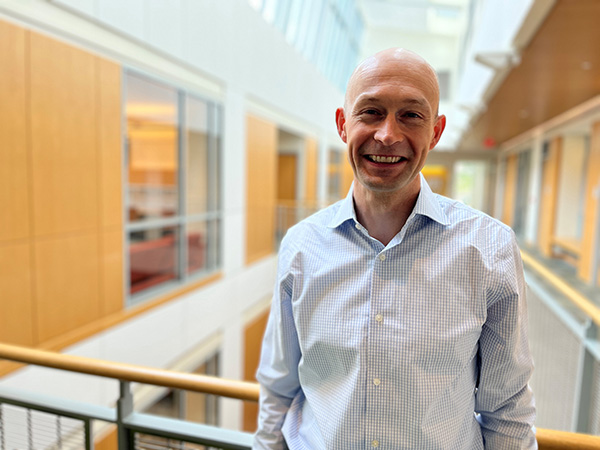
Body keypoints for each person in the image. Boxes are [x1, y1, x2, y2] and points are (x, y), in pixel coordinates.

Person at [254, 48, 536, 449]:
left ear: (436, 131)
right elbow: (279, 389)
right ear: (342, 124)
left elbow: (507, 410)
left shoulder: (489, 249)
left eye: (411, 115)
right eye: (371, 112)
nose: (387, 135)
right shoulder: (301, 246)